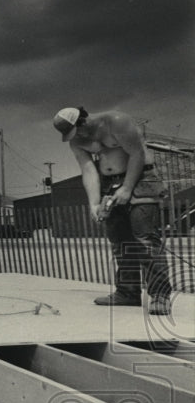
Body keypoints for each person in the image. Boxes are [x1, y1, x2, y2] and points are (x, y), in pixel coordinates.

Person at [53, 106, 172, 315]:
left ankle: (160, 296)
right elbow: (88, 170)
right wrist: (94, 203)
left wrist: (127, 188)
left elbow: (137, 154)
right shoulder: (76, 141)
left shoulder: (116, 121)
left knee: (145, 239)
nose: (78, 136)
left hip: (141, 179)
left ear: (83, 120)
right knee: (119, 241)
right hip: (110, 183)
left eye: (77, 130)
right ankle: (128, 292)